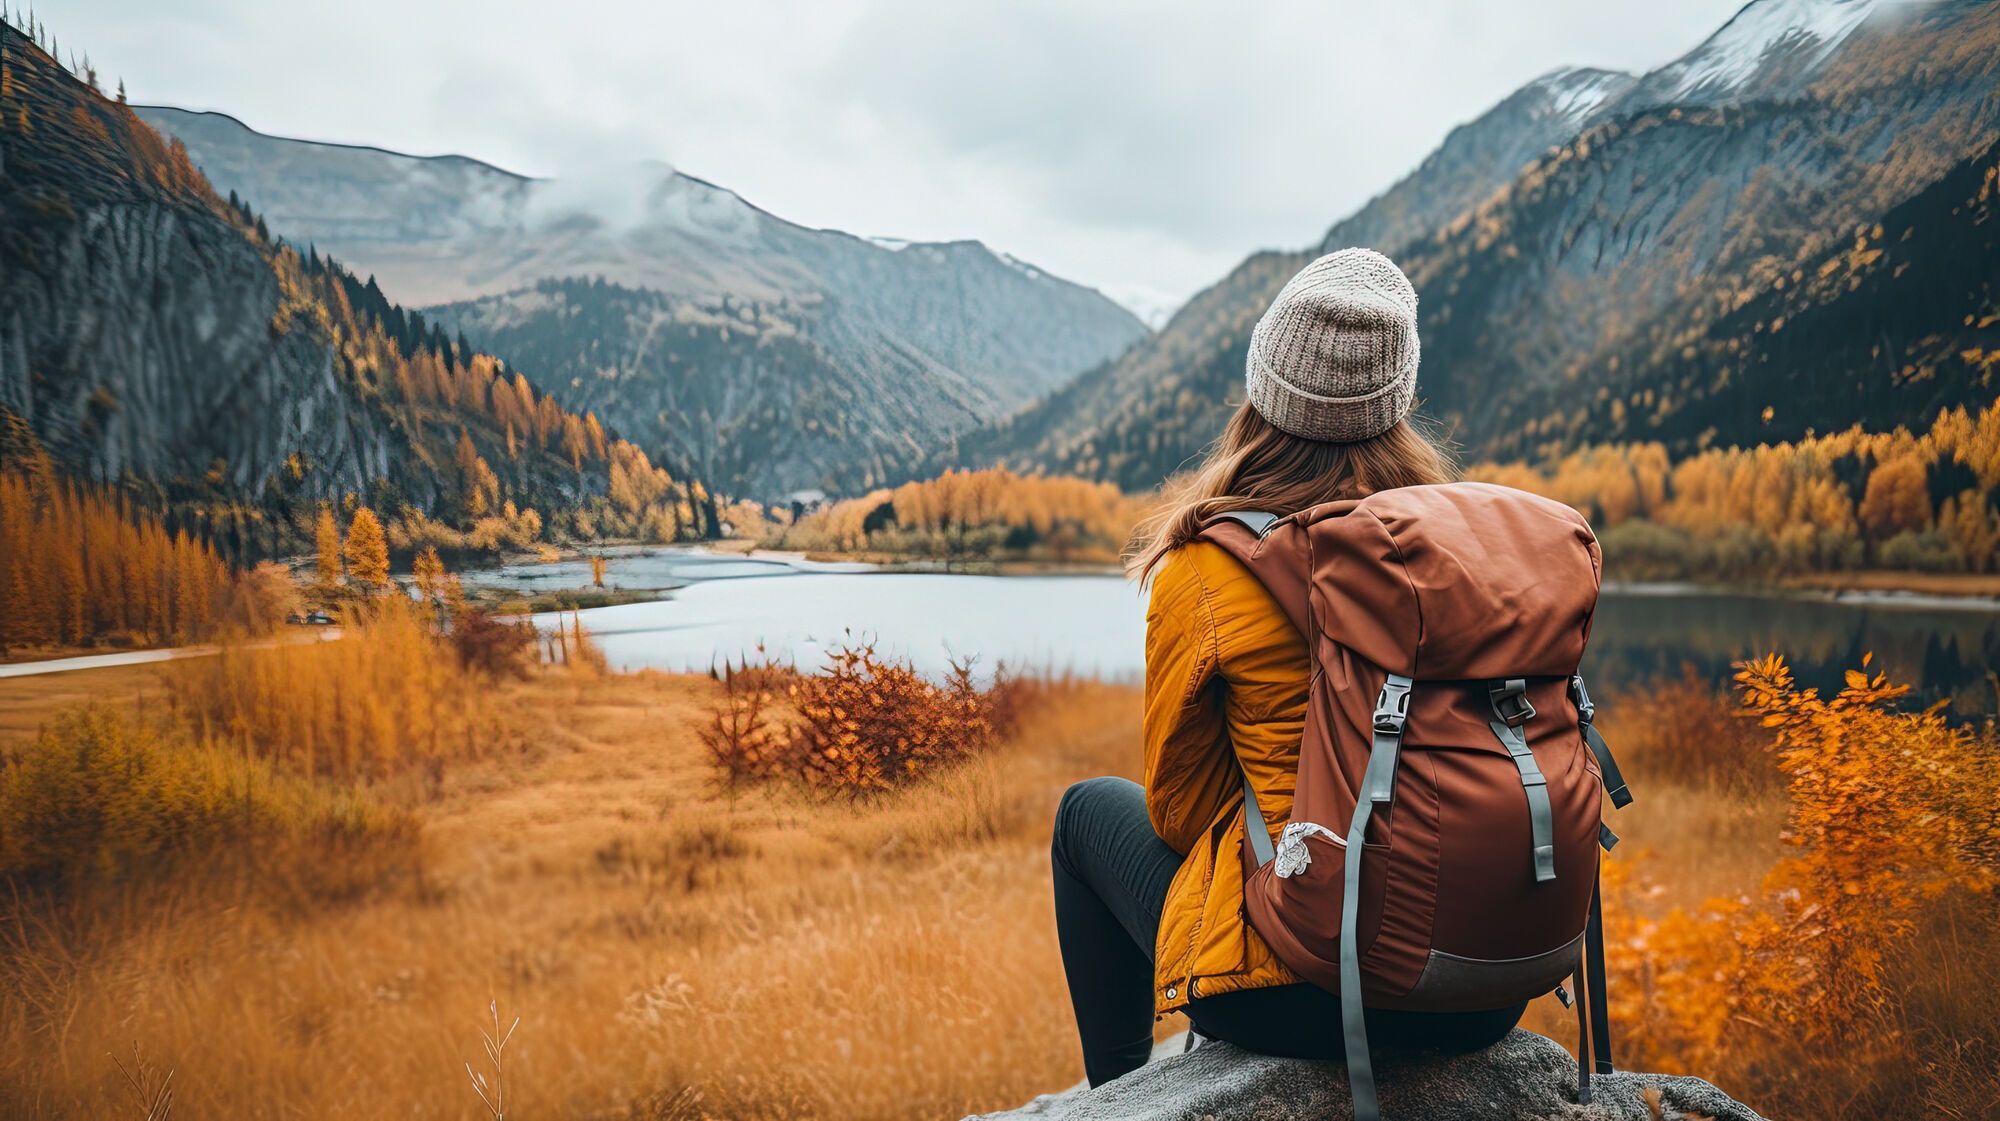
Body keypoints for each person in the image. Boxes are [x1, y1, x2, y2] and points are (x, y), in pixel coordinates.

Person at [1050, 248, 1527, 1087]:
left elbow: (1179, 811)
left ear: (1263, 389)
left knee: (1085, 813)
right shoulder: (1466, 553)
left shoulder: (1207, 569)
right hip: (1481, 987)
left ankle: (1119, 1095)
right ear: (1399, 401)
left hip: (1294, 994)